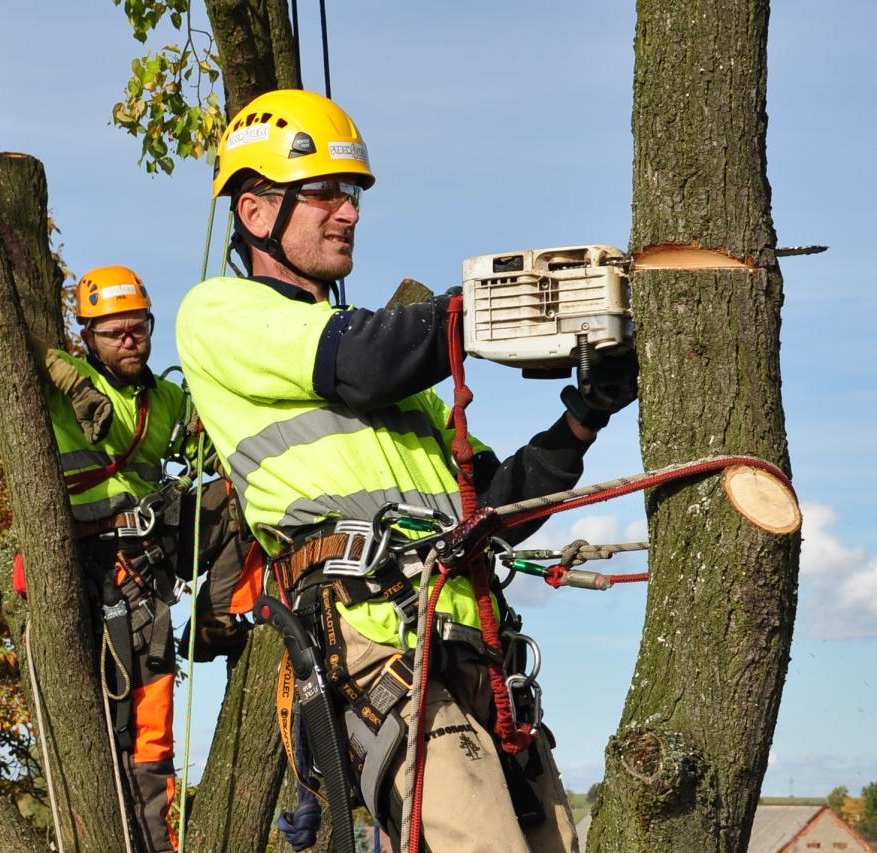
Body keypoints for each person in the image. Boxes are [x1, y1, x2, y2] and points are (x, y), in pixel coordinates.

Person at [175, 90, 637, 851]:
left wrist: (584, 416)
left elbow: (492, 505)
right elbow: (360, 359)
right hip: (375, 643)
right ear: (256, 212)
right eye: (323, 192)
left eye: (349, 194)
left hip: (471, 647)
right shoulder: (220, 314)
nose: (348, 212)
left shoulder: (400, 391)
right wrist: (486, 309)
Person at [29, 265, 251, 853]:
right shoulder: (63, 381)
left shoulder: (167, 398)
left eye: (138, 329)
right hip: (93, 566)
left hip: (152, 555)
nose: (130, 341)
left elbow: (213, 451)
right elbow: (7, 337)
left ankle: (215, 619)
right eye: (114, 332)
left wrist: (220, 407)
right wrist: (66, 378)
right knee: (127, 720)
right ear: (87, 337)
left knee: (247, 490)